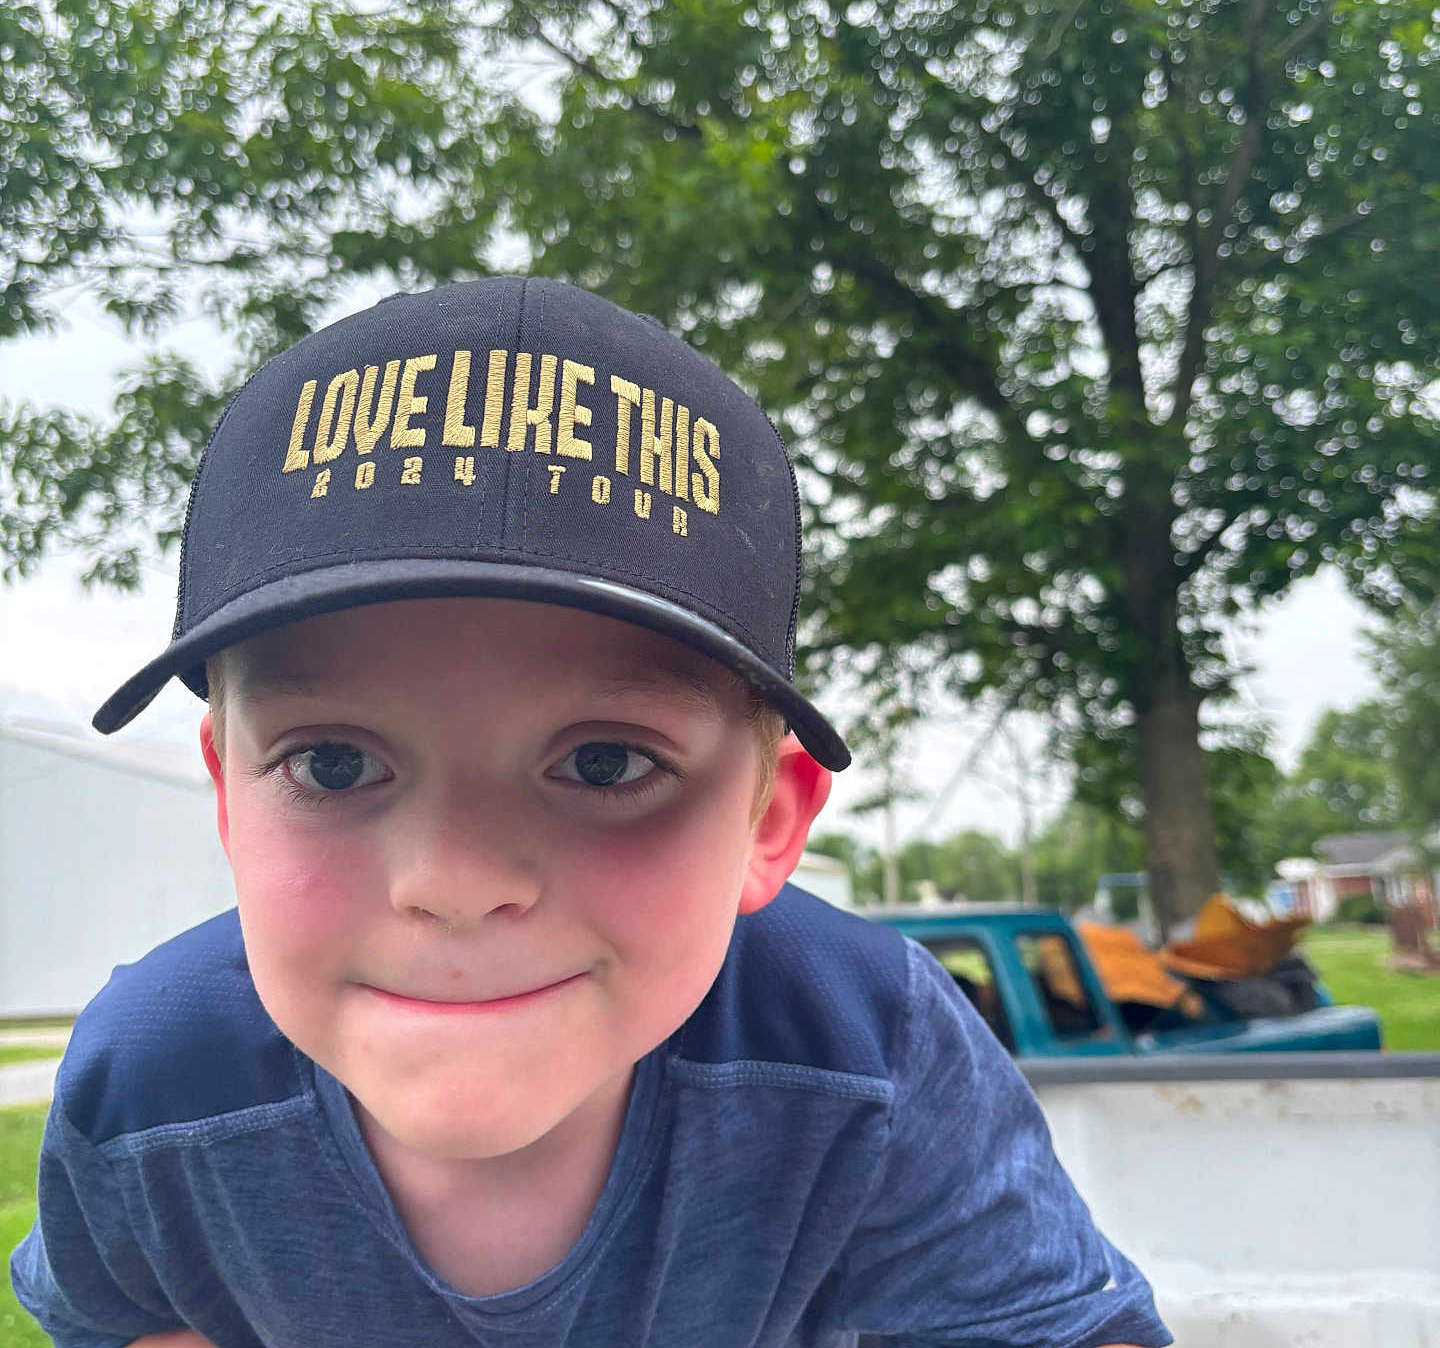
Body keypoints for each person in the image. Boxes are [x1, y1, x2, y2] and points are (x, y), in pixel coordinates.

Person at [10, 277, 1172, 1348]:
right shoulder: (152, 1082)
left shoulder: (867, 1048)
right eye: (331, 765)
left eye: (609, 764)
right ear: (228, 792)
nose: (455, 879)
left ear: (770, 821)